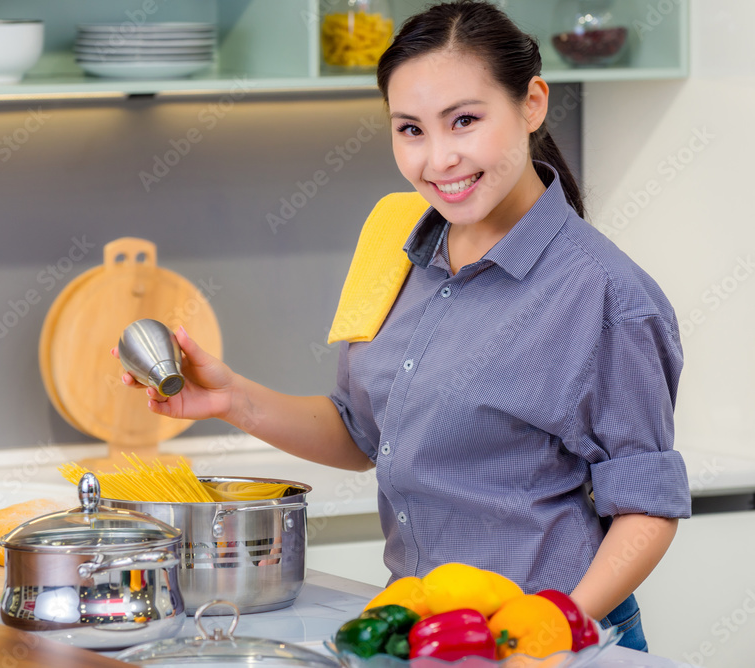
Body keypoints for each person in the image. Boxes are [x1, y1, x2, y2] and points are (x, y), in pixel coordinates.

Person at [115, 0, 690, 653]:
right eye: (410, 130)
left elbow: (647, 506)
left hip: (556, 642)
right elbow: (364, 433)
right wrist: (231, 398)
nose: (438, 159)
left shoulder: (606, 295)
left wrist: (554, 626)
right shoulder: (396, 247)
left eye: (465, 121)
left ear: (532, 104)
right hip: (426, 640)